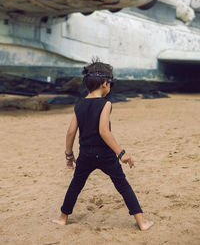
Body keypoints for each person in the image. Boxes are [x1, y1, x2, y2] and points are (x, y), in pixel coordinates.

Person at [52, 60, 153, 231]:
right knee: (122, 185)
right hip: (105, 155)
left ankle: (62, 218)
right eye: (110, 83)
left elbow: (70, 133)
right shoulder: (106, 104)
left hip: (85, 154)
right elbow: (104, 131)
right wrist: (122, 154)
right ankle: (142, 223)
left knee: (76, 184)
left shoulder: (79, 105)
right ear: (105, 84)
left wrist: (69, 156)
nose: (110, 87)